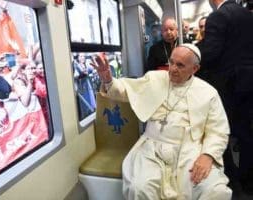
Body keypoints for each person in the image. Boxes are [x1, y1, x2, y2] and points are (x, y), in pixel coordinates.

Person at [92, 44, 232, 199]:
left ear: (194, 69)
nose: (172, 69)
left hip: (190, 151)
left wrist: (208, 155)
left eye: (180, 65)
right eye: (171, 62)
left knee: (215, 191)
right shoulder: (155, 78)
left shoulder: (209, 93)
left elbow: (218, 131)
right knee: (140, 188)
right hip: (152, 147)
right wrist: (108, 80)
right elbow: (125, 91)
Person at [200, 0, 253, 194]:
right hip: (249, 85)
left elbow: (211, 54)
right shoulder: (248, 15)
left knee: (221, 134)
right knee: (247, 135)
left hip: (228, 88)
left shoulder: (218, 17)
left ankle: (232, 182)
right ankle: (249, 181)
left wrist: (195, 57)